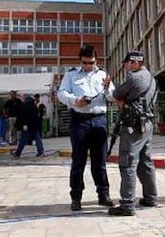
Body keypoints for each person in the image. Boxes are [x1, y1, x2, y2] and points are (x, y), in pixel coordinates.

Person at [57, 45, 115, 211]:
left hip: (99, 120)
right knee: (78, 161)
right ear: (80, 60)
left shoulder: (103, 75)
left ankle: (103, 195)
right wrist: (75, 100)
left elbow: (112, 96)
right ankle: (76, 197)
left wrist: (108, 87)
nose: (89, 66)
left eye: (92, 62)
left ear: (96, 60)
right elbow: (61, 93)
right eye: (85, 62)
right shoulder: (71, 75)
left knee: (100, 161)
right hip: (79, 122)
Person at [108, 50, 158, 216]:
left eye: (127, 63)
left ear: (135, 62)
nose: (126, 66)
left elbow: (116, 94)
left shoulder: (134, 78)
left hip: (133, 127)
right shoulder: (152, 78)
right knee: (146, 162)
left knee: (128, 163)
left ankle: (127, 204)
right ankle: (151, 197)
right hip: (147, 124)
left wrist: (112, 89)